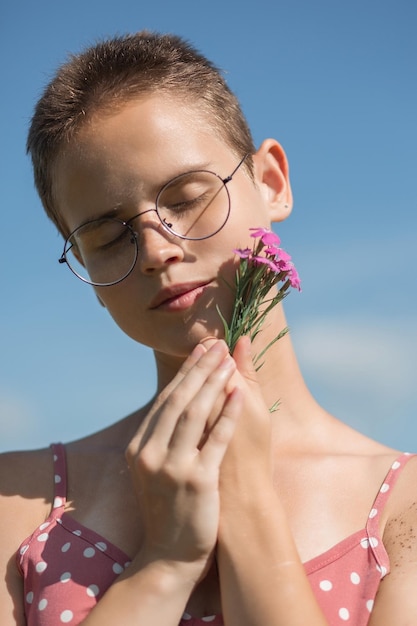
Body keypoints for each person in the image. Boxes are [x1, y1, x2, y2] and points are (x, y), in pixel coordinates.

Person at [0, 31, 415, 626]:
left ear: (271, 181)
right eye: (107, 235)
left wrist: (246, 503)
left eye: (188, 196)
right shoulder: (16, 500)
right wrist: (165, 563)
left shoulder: (405, 512)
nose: (154, 249)